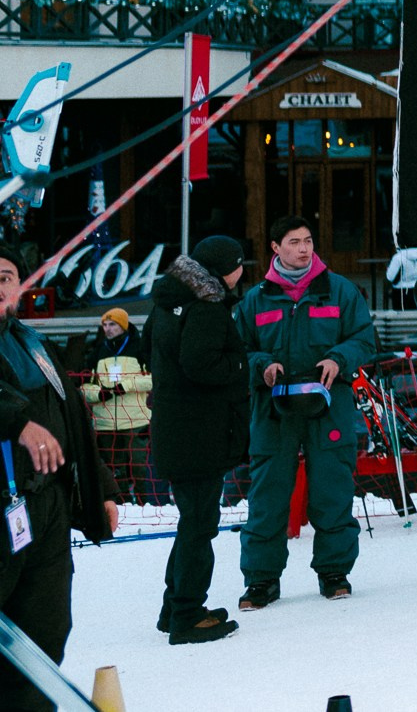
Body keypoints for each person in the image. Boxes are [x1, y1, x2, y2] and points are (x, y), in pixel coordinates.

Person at [233, 214, 377, 610]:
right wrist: (262, 364)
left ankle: (334, 573)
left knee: (332, 492)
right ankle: (261, 581)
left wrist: (340, 358)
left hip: (327, 408)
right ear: (275, 248)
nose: (303, 248)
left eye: (308, 240)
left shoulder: (340, 291)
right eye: (294, 242)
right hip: (274, 410)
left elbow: (365, 339)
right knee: (267, 497)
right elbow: (238, 350)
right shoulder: (255, 299)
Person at [0, 243, 118, 710]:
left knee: (46, 626)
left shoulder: (33, 344)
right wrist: (18, 424)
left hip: (42, 510)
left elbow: (73, 421)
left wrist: (101, 488)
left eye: (6, 275)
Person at [147, 235, 250, 645]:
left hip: (174, 430)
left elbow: (150, 350)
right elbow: (201, 364)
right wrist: (239, 362)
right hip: (200, 435)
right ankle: (187, 616)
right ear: (227, 268)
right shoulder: (207, 308)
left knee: (192, 520)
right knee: (200, 525)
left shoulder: (167, 303)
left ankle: (174, 608)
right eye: (241, 264)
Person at [80, 308, 153, 503]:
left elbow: (155, 380)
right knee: (115, 468)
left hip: (135, 421)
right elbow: (83, 387)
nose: (108, 329)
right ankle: (122, 505)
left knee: (140, 467)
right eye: (104, 325)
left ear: (123, 326)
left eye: (112, 324)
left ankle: (147, 505)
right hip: (106, 423)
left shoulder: (140, 349)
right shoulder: (96, 352)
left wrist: (127, 385)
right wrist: (98, 394)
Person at [384, 245, 417, 310]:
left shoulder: (398, 257)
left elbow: (390, 277)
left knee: (400, 316)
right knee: (414, 314)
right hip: (415, 287)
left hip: (399, 289)